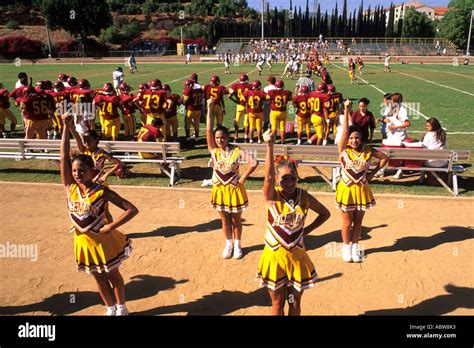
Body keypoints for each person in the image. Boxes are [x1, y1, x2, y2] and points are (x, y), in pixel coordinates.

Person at [60, 113, 138, 316]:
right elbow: (63, 158)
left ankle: (122, 307)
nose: (77, 174)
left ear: (91, 170)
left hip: (104, 241)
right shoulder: (70, 188)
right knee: (98, 278)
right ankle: (110, 308)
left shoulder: (102, 191)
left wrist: (111, 226)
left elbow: (132, 209)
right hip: (83, 243)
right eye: (75, 170)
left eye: (81, 171)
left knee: (113, 275)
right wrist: (65, 128)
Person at [256, 129, 330, 315]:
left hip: (297, 256)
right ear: (277, 180)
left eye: (292, 177)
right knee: (277, 304)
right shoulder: (272, 196)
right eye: (284, 178)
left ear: (297, 177)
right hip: (274, 257)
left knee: (294, 303)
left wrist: (306, 231)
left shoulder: (303, 195)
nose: (289, 181)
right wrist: (269, 146)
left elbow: (325, 213)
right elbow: (267, 178)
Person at [335, 100, 388, 263]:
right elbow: (344, 133)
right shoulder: (343, 149)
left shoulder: (367, 149)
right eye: (351, 138)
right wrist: (346, 110)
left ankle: (355, 247)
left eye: (356, 138)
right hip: (346, 189)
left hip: (362, 190)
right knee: (347, 221)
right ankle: (345, 247)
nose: (354, 140)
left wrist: (372, 174)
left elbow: (384, 158)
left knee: (358, 222)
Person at [206, 98, 258, 259]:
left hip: (234, 189)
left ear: (227, 138)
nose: (219, 140)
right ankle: (228, 244)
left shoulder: (236, 150)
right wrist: (209, 108)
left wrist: (242, 179)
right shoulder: (214, 151)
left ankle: (238, 245)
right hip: (220, 189)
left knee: (236, 219)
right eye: (217, 138)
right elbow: (208, 130)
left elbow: (254, 162)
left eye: (222, 137)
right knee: (224, 220)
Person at [383, 92, 410, 179]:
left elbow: (407, 123)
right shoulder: (393, 108)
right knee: (388, 153)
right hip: (392, 135)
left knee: (399, 154)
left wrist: (395, 127)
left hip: (400, 136)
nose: (390, 101)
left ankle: (400, 171)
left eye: (392, 99)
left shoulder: (403, 110)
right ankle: (385, 169)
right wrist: (386, 121)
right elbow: (389, 119)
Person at [266, 80, 292, 144]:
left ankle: (274, 141)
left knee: (274, 128)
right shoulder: (287, 92)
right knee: (282, 128)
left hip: (274, 112)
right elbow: (290, 98)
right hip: (283, 112)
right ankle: (282, 141)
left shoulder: (271, 92)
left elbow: (268, 98)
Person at [228, 74, 251, 142]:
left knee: (236, 122)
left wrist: (235, 100)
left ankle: (236, 137)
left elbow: (229, 95)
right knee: (246, 122)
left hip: (239, 105)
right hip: (247, 106)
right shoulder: (250, 86)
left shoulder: (235, 86)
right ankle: (246, 137)